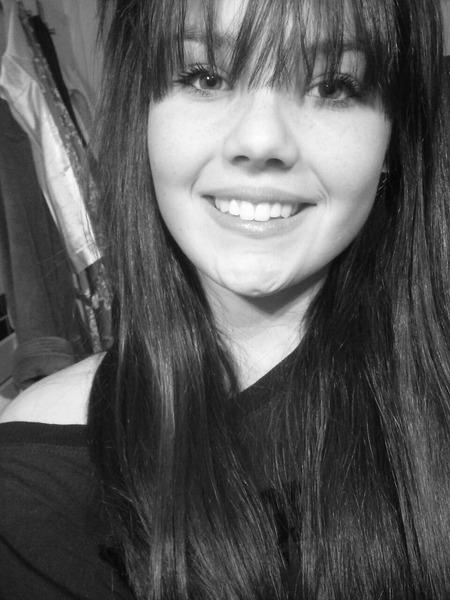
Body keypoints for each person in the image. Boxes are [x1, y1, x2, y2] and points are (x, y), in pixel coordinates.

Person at [1, 0, 450, 597]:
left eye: (333, 86)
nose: (260, 141)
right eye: (206, 77)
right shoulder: (40, 478)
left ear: (393, 140)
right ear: (143, 116)